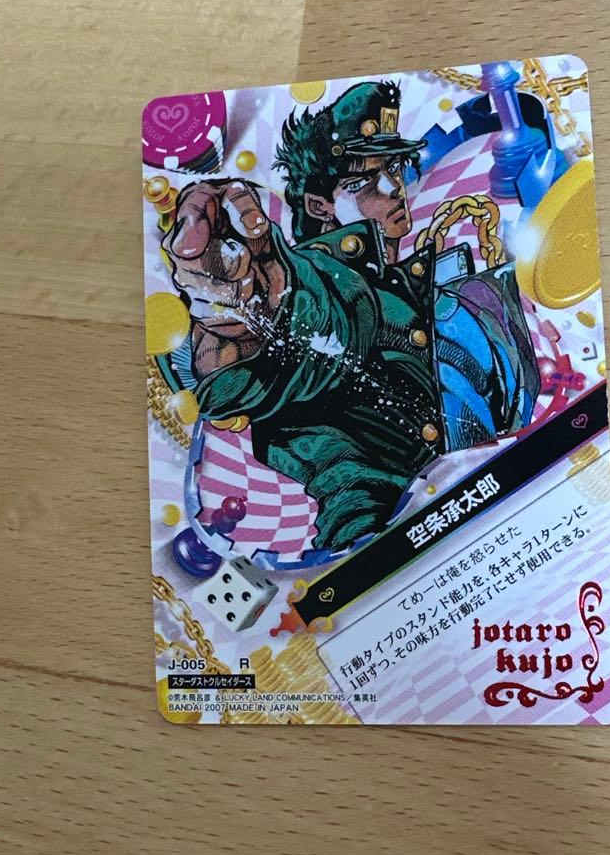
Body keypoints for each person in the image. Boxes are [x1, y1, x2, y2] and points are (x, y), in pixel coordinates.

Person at [161, 81, 538, 551]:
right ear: (319, 206)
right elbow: (323, 319)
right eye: (362, 183)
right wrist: (263, 304)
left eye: (394, 168)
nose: (393, 188)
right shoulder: (322, 284)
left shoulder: (426, 275)